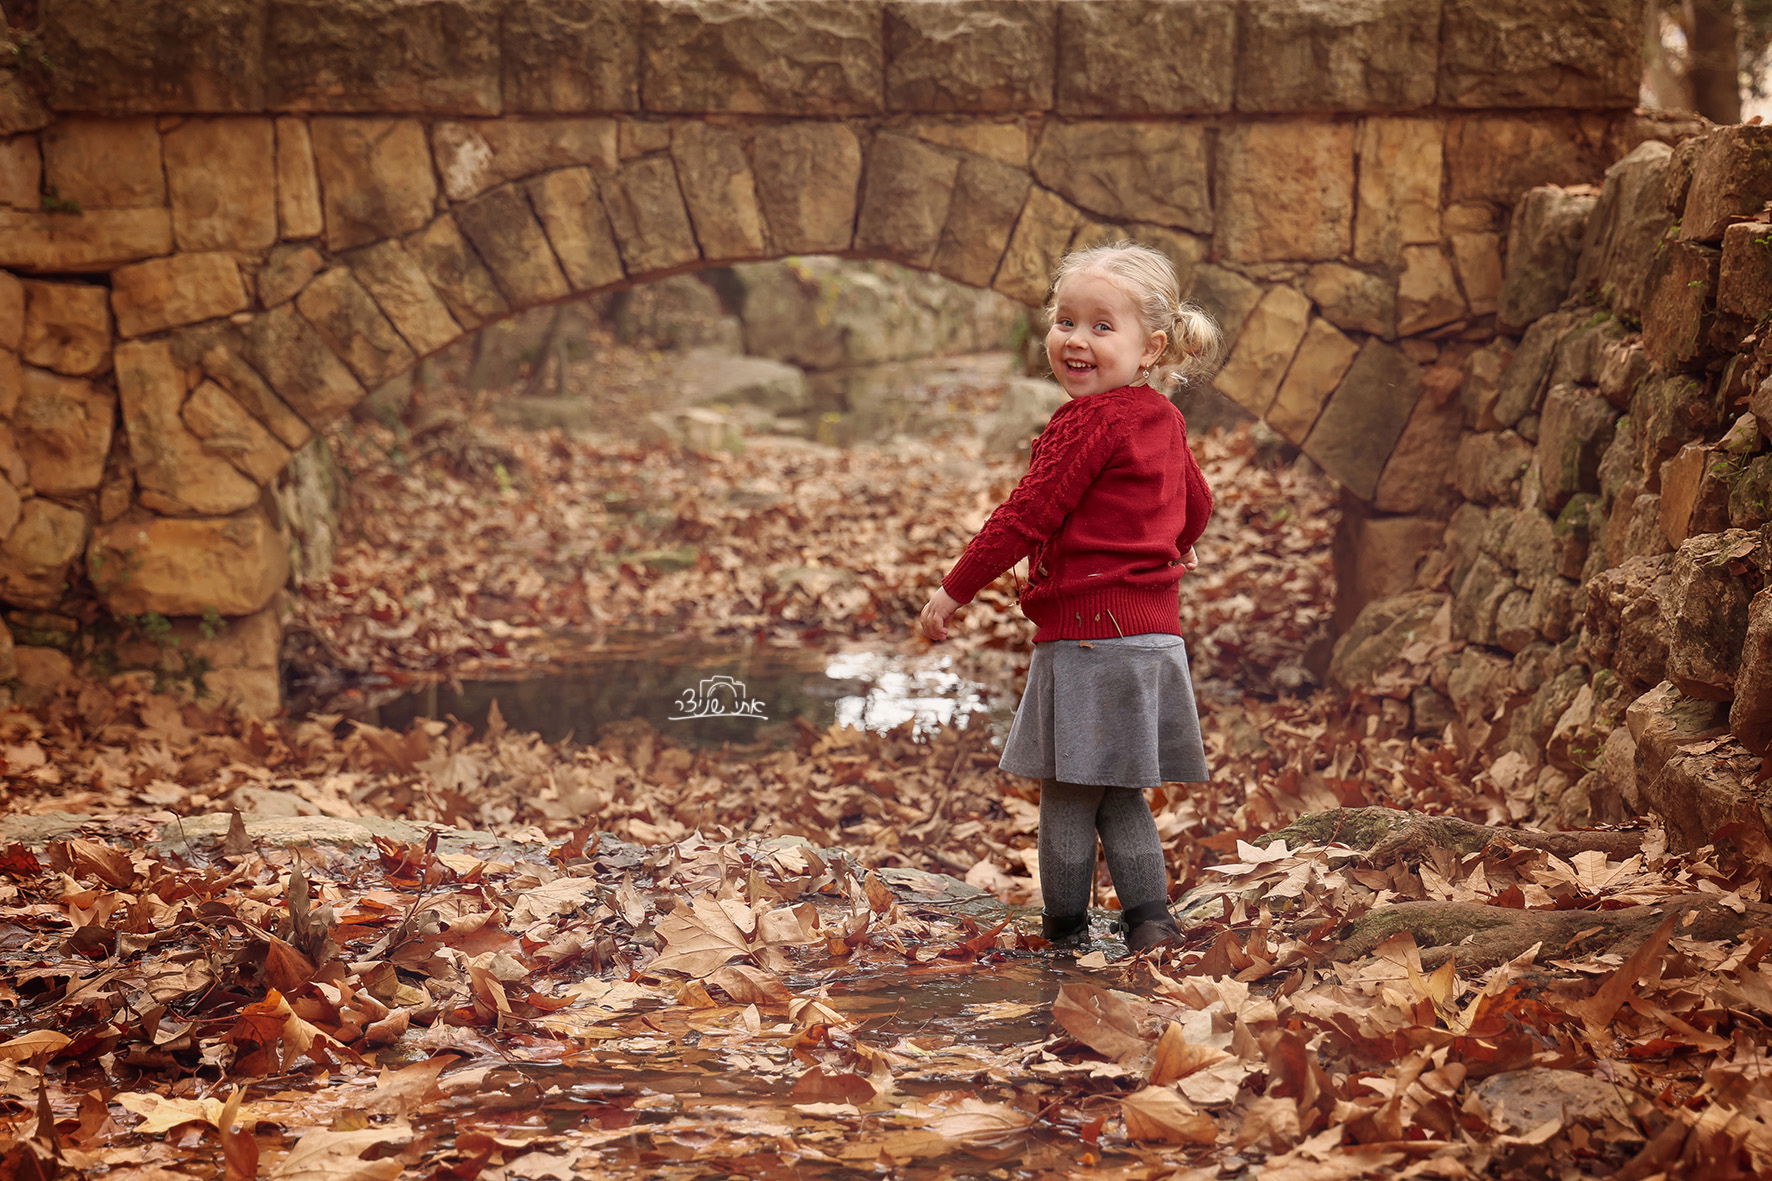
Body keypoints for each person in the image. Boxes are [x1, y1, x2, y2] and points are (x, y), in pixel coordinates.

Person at [918, 240, 1221, 953]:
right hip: (1153, 635)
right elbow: (1197, 496)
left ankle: (1063, 930)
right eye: (1064, 320)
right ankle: (1151, 920)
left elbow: (1027, 516)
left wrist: (953, 589)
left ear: (1150, 347)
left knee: (1066, 787)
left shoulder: (1086, 422)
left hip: (1088, 636)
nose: (1075, 340)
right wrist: (1179, 541)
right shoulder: (1162, 417)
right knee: (1122, 790)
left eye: (1100, 326)